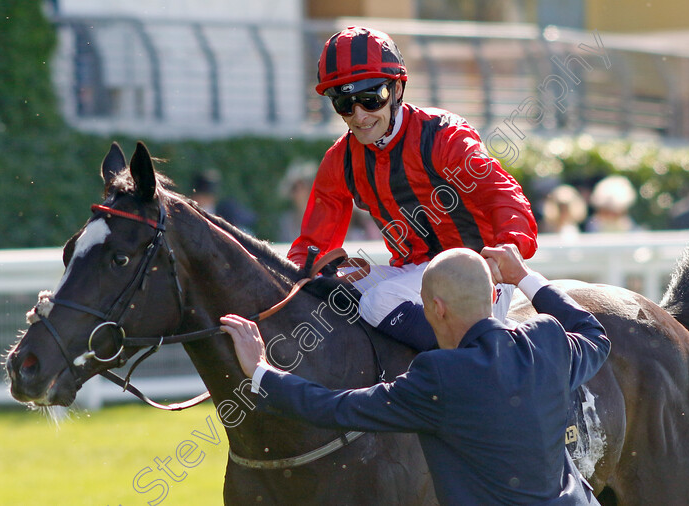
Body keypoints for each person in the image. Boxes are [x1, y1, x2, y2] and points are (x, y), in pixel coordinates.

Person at [223, 245, 608, 505]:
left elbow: (334, 408)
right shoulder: (547, 339)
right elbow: (594, 335)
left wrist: (260, 371)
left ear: (436, 308)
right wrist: (525, 276)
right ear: (494, 297)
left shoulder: (439, 376)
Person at [287, 26, 537, 351]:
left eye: (370, 98)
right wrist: (300, 276)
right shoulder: (341, 159)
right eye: (344, 103)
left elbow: (502, 194)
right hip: (413, 272)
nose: (359, 115)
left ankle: (479, 363)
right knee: (331, 298)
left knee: (379, 302)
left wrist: (506, 250)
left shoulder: (443, 136)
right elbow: (312, 244)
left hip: (477, 271)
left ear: (397, 89)